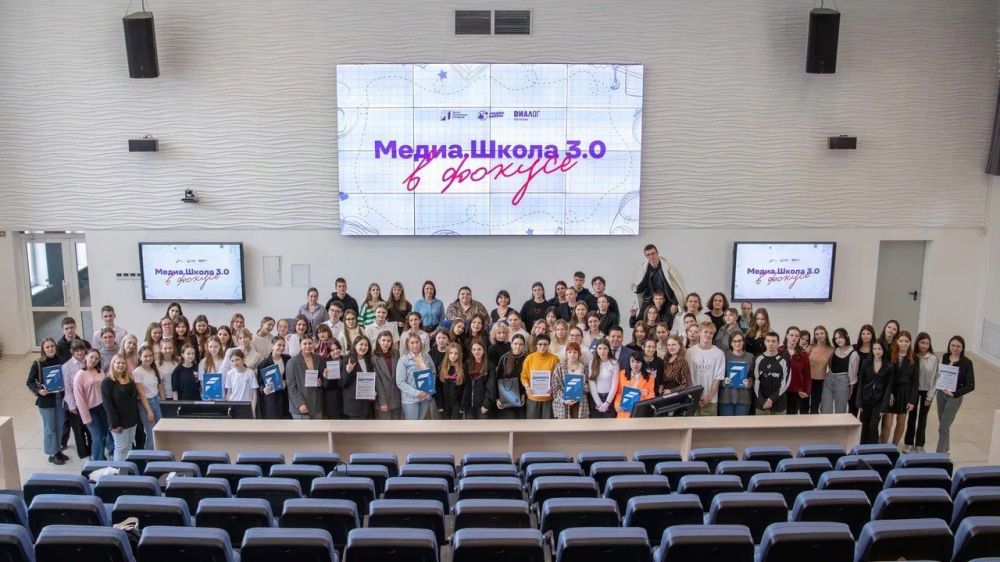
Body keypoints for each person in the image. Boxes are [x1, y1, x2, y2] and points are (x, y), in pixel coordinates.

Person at [103, 354, 152, 461]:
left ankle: (125, 468)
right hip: (118, 422)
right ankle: (118, 470)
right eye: (118, 363)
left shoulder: (129, 378)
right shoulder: (107, 382)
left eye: (123, 363)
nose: (121, 365)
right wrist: (114, 424)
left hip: (131, 420)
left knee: (129, 445)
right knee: (121, 447)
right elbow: (108, 405)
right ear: (113, 364)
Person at [26, 337, 67, 465]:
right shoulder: (38, 363)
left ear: (55, 347)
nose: (50, 349)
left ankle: (58, 450)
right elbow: (30, 382)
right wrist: (39, 391)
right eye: (47, 347)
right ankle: (52, 453)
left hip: (60, 399)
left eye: (52, 346)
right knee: (50, 428)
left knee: (59, 426)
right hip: (46, 401)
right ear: (43, 349)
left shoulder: (61, 360)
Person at [935, 335, 975, 454]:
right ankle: (946, 449)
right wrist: (938, 375)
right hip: (941, 394)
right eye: (952, 345)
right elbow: (943, 374)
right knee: (943, 423)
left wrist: (955, 394)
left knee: (943, 427)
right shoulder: (945, 357)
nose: (955, 348)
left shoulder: (967, 362)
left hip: (954, 397)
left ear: (962, 348)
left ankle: (939, 454)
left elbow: (971, 385)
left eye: (958, 346)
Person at [881, 331, 918, 445]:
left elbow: (915, 381)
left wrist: (912, 400)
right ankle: (883, 445)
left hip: (905, 392)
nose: (903, 343)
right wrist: (889, 393)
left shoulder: (914, 358)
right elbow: (885, 376)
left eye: (906, 341)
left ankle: (894, 446)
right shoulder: (889, 355)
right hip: (891, 391)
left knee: (901, 422)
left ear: (910, 343)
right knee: (887, 423)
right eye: (901, 341)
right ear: (897, 341)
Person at [74, 349, 112, 460]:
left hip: (102, 408)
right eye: (91, 357)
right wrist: (86, 418)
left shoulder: (100, 371)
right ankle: (95, 462)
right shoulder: (80, 375)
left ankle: (101, 458)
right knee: (97, 437)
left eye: (96, 358)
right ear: (86, 357)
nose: (94, 360)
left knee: (105, 435)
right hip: (90, 411)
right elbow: (79, 399)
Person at [904, 332, 938, 452]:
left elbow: (934, 379)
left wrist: (930, 396)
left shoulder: (933, 359)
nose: (924, 345)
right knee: (911, 417)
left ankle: (920, 445)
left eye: (927, 343)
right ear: (917, 343)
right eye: (922, 342)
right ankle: (908, 443)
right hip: (913, 391)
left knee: (923, 419)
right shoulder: (912, 356)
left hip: (926, 392)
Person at [857, 341, 893, 444]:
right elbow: (861, 382)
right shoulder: (865, 363)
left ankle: (873, 448)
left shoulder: (889, 367)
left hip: (879, 401)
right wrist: (859, 402)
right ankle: (862, 447)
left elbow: (888, 388)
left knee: (873, 426)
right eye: (874, 349)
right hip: (865, 399)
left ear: (883, 350)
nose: (877, 351)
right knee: (864, 425)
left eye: (879, 349)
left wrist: (884, 407)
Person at [61, 340, 92, 459]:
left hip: (89, 401)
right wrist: (72, 405)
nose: (80, 353)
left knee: (90, 428)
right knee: (78, 430)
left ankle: (92, 450)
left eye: (82, 350)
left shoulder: (89, 361)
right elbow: (67, 388)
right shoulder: (66, 366)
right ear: (72, 351)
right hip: (75, 403)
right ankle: (83, 453)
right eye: (77, 350)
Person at [632, 243, 686, 312]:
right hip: (651, 299)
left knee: (669, 315)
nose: (651, 256)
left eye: (653, 253)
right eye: (648, 255)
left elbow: (676, 287)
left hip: (668, 299)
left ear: (657, 253)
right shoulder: (644, 269)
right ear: (646, 256)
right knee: (641, 316)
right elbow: (641, 287)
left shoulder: (668, 267)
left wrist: (675, 303)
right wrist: (635, 288)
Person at [687, 321, 725, 415]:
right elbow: (687, 376)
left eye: (711, 333)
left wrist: (709, 397)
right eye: (705, 332)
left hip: (711, 400)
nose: (708, 335)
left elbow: (718, 378)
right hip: (692, 399)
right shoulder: (690, 352)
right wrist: (694, 395)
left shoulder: (719, 353)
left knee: (709, 425)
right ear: (700, 332)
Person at [286, 335, 328, 419]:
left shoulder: (318, 358)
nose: (308, 346)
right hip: (300, 405)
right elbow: (291, 386)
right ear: (300, 346)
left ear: (313, 345)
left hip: (316, 403)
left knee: (318, 427)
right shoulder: (292, 362)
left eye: (310, 343)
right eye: (305, 344)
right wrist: (300, 404)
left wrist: (321, 381)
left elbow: (322, 378)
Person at [396, 333, 436, 420]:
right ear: (407, 344)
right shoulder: (403, 360)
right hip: (410, 399)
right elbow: (400, 382)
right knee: (412, 425)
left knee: (420, 423)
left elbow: (433, 372)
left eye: (417, 342)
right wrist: (417, 393)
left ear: (420, 343)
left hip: (425, 397)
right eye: (412, 343)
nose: (415, 345)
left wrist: (430, 390)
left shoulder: (426, 356)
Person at [490, 334, 527, 419]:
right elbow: (498, 379)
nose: (518, 346)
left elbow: (528, 378)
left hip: (522, 397)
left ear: (524, 346)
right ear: (511, 344)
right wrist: (497, 398)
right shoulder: (504, 358)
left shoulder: (527, 358)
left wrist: (524, 394)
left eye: (521, 344)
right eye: (515, 343)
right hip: (506, 396)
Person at [132, 346, 163, 449]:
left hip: (156, 400)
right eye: (145, 356)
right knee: (152, 433)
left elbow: (158, 386)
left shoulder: (154, 369)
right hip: (145, 404)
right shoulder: (137, 372)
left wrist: (162, 401)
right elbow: (141, 394)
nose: (148, 358)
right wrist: (149, 411)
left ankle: (159, 454)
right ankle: (149, 457)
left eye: (150, 356)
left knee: (159, 430)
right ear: (140, 357)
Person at [520, 334, 559, 419]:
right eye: (540, 344)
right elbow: (524, 375)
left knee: (548, 424)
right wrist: (527, 387)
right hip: (532, 397)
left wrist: (553, 387)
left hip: (548, 397)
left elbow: (558, 378)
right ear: (536, 345)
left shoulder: (554, 359)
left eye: (545, 344)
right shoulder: (529, 358)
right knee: (533, 424)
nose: (542, 346)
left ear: (548, 345)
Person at [822, 328, 859, 414]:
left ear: (846, 337)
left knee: (840, 410)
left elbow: (853, 374)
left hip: (843, 382)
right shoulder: (834, 350)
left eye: (840, 337)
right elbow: (829, 364)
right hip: (828, 380)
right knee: (825, 409)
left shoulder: (853, 354)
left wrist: (851, 388)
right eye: (836, 338)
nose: (838, 340)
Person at [754, 332, 790, 415]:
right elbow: (756, 381)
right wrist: (763, 401)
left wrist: (771, 400)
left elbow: (785, 383)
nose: (770, 344)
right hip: (761, 404)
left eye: (773, 341)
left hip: (779, 404)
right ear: (765, 342)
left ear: (778, 343)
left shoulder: (784, 360)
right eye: (768, 341)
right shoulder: (758, 358)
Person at [341, 335, 375, 420]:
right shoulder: (347, 360)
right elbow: (341, 383)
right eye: (361, 344)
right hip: (354, 405)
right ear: (355, 345)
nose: (363, 347)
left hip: (368, 404)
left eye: (366, 345)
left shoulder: (369, 360)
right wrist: (348, 372)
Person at [256, 337, 291, 420]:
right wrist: (263, 389)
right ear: (272, 346)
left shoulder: (288, 359)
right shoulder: (263, 364)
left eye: (283, 345)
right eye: (279, 345)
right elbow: (260, 384)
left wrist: (287, 381)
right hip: (272, 399)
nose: (281, 348)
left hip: (286, 397)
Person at [552, 342, 590, 419]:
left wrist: (582, 384)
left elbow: (589, 388)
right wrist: (564, 400)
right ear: (566, 353)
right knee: (565, 426)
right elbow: (555, 387)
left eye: (575, 352)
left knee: (579, 425)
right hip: (564, 404)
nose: (572, 354)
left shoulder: (585, 368)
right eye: (569, 352)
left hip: (580, 403)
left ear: (579, 353)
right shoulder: (560, 367)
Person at [719, 332, 753, 415]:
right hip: (726, 397)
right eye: (734, 341)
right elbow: (718, 375)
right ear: (730, 343)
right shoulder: (724, 355)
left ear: (743, 342)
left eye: (739, 341)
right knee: (726, 423)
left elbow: (752, 376)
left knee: (741, 423)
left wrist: (748, 382)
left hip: (743, 398)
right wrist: (723, 381)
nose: (737, 343)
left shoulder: (750, 357)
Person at [372, 331, 402, 420]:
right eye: (383, 340)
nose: (386, 343)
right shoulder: (374, 358)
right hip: (383, 399)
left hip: (396, 397)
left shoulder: (396, 353)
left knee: (396, 425)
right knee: (384, 426)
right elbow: (377, 382)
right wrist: (382, 402)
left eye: (388, 341)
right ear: (378, 341)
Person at [615, 354, 656, 419]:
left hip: (639, 413)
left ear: (642, 363)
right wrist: (617, 405)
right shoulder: (622, 373)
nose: (635, 364)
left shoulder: (649, 377)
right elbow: (619, 393)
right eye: (632, 361)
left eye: (638, 362)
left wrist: (647, 393)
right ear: (629, 362)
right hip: (623, 412)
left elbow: (652, 397)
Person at [782, 327, 811, 415]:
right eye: (791, 335)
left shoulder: (803, 354)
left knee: (792, 417)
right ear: (787, 335)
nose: (794, 338)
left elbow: (807, 374)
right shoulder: (779, 351)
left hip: (796, 391)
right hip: (780, 391)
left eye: (796, 336)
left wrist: (807, 391)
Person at [588, 338, 619, 418]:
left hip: (609, 398)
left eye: (605, 348)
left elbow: (614, 385)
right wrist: (598, 402)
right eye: (599, 348)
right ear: (596, 350)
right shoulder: (592, 362)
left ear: (609, 349)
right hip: (595, 398)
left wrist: (607, 403)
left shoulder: (614, 363)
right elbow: (592, 384)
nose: (602, 351)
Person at [436, 342, 466, 419]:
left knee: (455, 425)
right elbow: (438, 387)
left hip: (457, 404)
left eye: (456, 353)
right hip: (444, 403)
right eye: (451, 353)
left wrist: (462, 405)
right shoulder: (442, 368)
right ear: (447, 354)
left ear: (459, 355)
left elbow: (465, 389)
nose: (453, 355)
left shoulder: (463, 369)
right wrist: (439, 404)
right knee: (446, 425)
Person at [462, 341, 491, 419]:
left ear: (484, 350)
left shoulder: (489, 365)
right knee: (470, 426)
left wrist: (486, 404)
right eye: (474, 349)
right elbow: (464, 386)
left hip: (482, 406)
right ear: (471, 351)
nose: (476, 352)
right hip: (468, 405)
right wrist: (463, 404)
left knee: (482, 426)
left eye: (479, 349)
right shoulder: (466, 365)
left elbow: (491, 387)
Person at [808, 326, 834, 414]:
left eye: (821, 333)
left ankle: (814, 422)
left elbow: (832, 367)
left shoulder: (831, 349)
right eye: (817, 334)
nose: (819, 336)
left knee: (814, 407)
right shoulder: (811, 347)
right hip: (807, 380)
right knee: (804, 406)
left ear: (826, 334)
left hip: (820, 380)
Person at [224, 350, 259, 414]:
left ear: (243, 359)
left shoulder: (250, 373)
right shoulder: (229, 374)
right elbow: (229, 392)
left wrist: (253, 410)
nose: (235, 363)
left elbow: (254, 394)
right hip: (234, 405)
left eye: (237, 360)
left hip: (247, 405)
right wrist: (229, 407)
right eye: (232, 361)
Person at [852, 324, 876, 416]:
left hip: (868, 384)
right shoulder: (854, 348)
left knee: (865, 412)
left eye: (868, 334)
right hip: (855, 382)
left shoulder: (876, 349)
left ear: (872, 335)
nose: (865, 336)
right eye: (863, 334)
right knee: (852, 410)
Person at [322, 339, 345, 419]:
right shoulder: (325, 363)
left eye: (337, 348)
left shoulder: (346, 360)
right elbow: (324, 386)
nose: (335, 351)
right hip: (333, 401)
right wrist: (325, 378)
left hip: (346, 400)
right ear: (329, 352)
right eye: (332, 350)